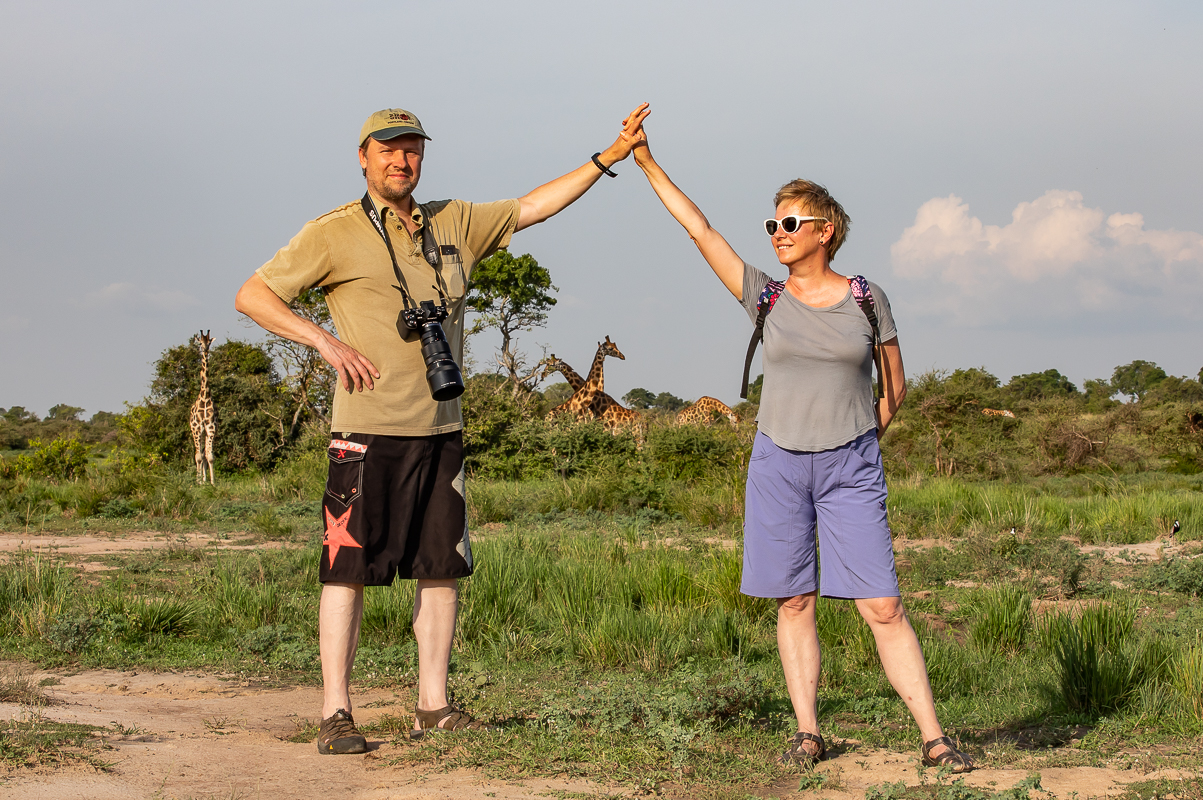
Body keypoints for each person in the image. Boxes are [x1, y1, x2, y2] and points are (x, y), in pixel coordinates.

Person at [235, 104, 651, 754]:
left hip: (441, 428)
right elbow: (253, 294)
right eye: (389, 150)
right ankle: (335, 714)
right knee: (347, 571)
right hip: (365, 431)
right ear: (363, 157)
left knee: (441, 569)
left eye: (411, 150)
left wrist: (607, 157)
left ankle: (432, 704)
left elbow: (534, 206)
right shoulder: (332, 232)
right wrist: (322, 342)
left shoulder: (455, 221)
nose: (402, 161)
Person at [622, 105, 972, 772]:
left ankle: (933, 737)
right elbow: (700, 230)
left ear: (824, 230)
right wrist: (644, 162)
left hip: (850, 465)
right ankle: (808, 732)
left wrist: (862, 438)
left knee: (882, 603)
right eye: (771, 223)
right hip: (777, 462)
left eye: (789, 223)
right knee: (793, 598)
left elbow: (893, 383)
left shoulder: (867, 299)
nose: (776, 233)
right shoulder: (764, 297)